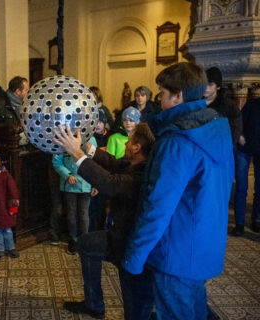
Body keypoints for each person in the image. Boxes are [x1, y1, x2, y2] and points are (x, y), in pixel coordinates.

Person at [122, 62, 234, 319]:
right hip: (204, 243)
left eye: (162, 92)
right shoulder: (216, 127)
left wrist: (134, 257)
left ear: (178, 95)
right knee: (194, 310)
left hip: (177, 251)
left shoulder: (178, 141)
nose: (159, 97)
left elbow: (158, 206)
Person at [54, 123, 156, 320]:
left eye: (130, 139)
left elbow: (109, 183)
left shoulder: (142, 174)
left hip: (132, 244)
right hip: (119, 236)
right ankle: (94, 304)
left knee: (135, 303)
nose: (126, 142)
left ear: (136, 148)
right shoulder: (135, 163)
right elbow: (112, 162)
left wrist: (76, 154)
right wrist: (84, 145)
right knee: (86, 243)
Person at [52, 137, 97, 254]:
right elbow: (57, 161)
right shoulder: (64, 138)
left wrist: (96, 183)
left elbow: (96, 163)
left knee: (84, 215)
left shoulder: (90, 139)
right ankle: (73, 240)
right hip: (70, 185)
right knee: (71, 214)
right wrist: (67, 175)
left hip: (86, 184)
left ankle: (84, 240)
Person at [232, 97, 260, 235]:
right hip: (245, 149)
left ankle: (257, 220)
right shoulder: (252, 104)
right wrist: (240, 136)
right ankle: (239, 223)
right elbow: (239, 122)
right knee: (242, 187)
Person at [204, 67, 242, 146]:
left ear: (218, 87)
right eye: (204, 83)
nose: (206, 88)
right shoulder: (194, 102)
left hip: (220, 150)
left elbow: (233, 134)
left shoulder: (229, 106)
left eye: (210, 84)